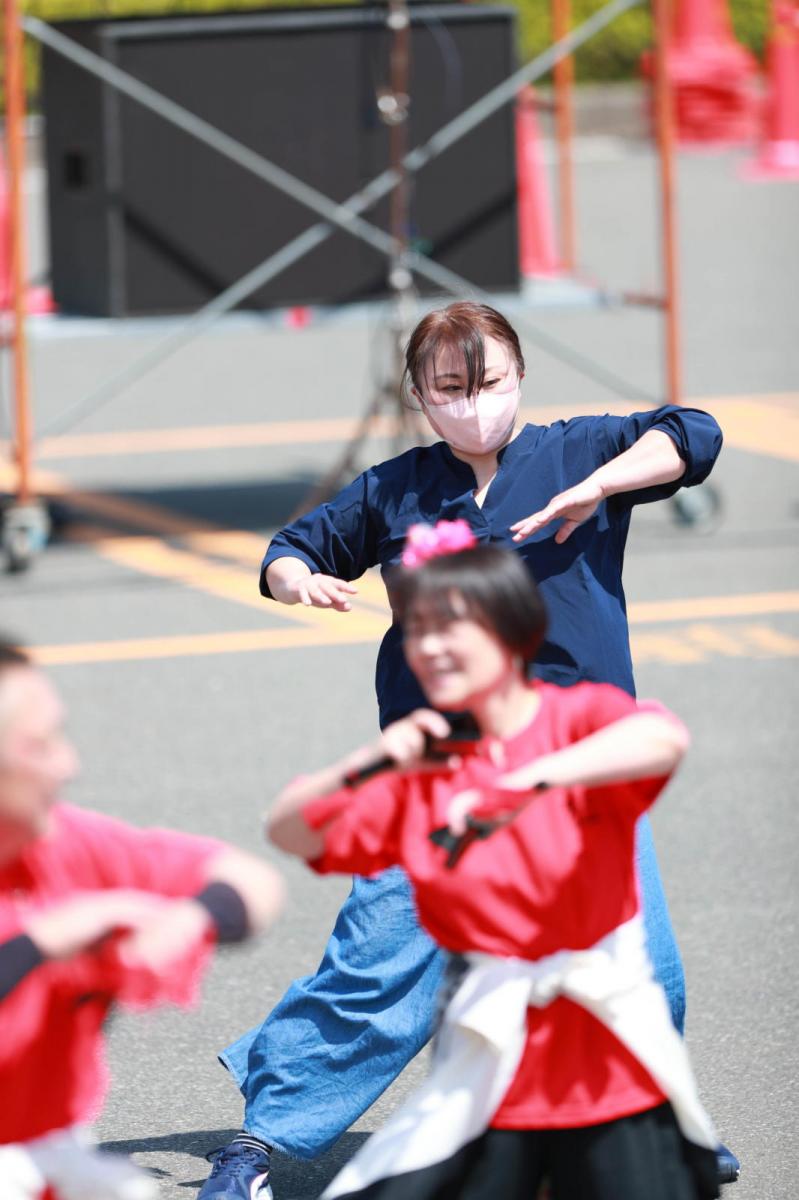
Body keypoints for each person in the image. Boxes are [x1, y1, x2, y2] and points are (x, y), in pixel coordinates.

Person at [200, 301, 727, 1199]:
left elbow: (693, 432)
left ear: (519, 377)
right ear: (418, 395)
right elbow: (291, 548)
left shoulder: (580, 451)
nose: (473, 402)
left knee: (634, 964)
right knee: (378, 964)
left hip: (578, 755)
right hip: (441, 768)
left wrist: (601, 487)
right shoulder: (396, 489)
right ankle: (264, 1142)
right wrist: (301, 579)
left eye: (488, 383)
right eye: (450, 388)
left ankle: (644, 1119)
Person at [267, 529, 720, 1200]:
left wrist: (526, 783)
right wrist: (372, 761)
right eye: (415, 628)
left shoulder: (575, 720)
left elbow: (660, 736)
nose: (428, 646)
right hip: (485, 1069)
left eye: (451, 625)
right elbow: (291, 832)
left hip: (606, 1075)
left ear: (512, 629)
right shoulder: (422, 767)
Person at [0, 640, 285, 1200]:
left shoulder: (62, 841)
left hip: (44, 1149)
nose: (68, 764)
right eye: (40, 744)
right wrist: (44, 941)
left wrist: (193, 917)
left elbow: (255, 881)